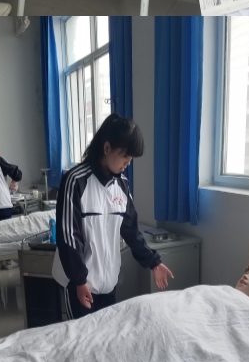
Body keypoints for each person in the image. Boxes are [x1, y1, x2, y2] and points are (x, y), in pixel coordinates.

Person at [51, 115, 172, 318]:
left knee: (106, 334)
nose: (128, 163)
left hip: (108, 282)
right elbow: (69, 237)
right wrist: (79, 280)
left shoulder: (122, 185)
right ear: (107, 148)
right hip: (79, 283)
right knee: (83, 336)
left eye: (131, 159)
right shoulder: (75, 180)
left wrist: (153, 262)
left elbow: (131, 230)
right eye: (125, 157)